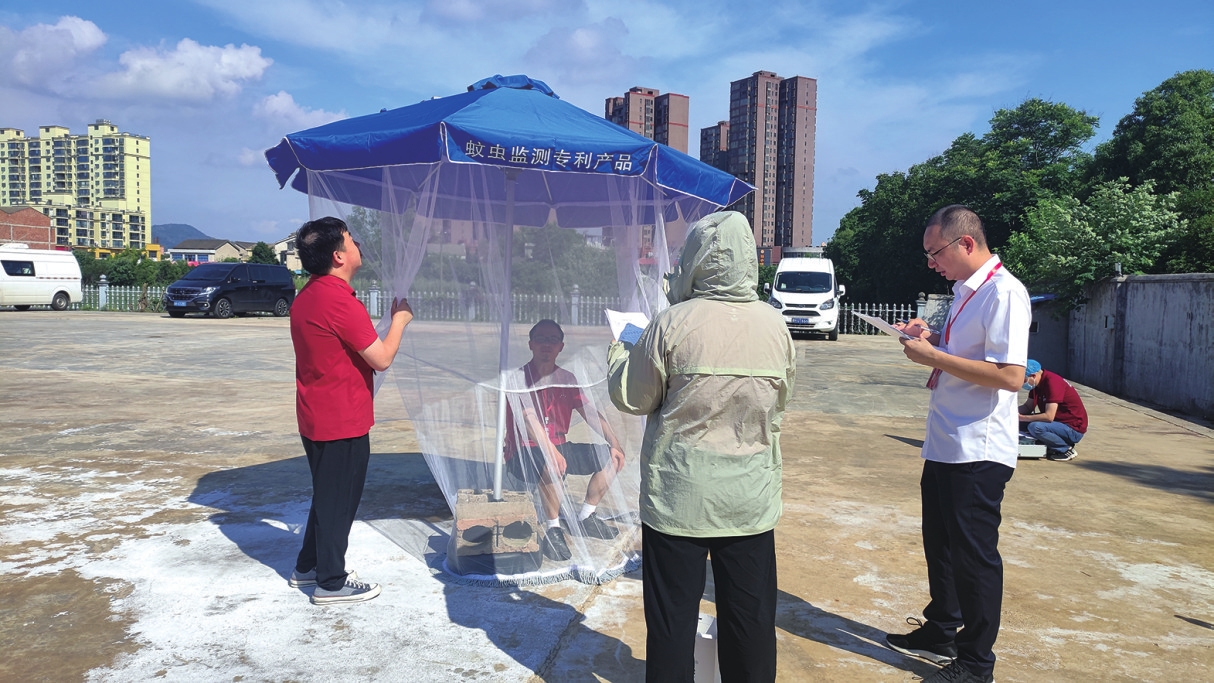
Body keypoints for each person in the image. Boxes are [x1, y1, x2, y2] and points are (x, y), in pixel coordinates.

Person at [607, 211, 796, 683]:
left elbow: (634, 397)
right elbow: (779, 405)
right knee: (750, 622)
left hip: (679, 497)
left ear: (696, 258)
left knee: (672, 622)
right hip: (748, 499)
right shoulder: (775, 326)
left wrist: (621, 351)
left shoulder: (671, 323)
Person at [888, 205, 1030, 683]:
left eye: (936, 253)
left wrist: (933, 357)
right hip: (948, 440)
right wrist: (928, 339)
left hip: (978, 448)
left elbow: (1009, 376)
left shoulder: (1003, 293)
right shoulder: (968, 292)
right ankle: (942, 628)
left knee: (974, 557)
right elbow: (966, 355)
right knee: (941, 545)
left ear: (966, 243)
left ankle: (975, 663)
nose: (932, 263)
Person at [288, 216, 413, 605]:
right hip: (341, 419)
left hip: (317, 414)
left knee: (327, 494)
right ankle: (330, 581)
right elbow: (382, 358)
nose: (358, 244)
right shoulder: (339, 302)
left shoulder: (309, 295)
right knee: (338, 501)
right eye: (351, 239)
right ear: (339, 256)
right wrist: (400, 320)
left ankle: (309, 566)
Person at [505, 319, 627, 562]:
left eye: (553, 340)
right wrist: (550, 450)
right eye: (541, 339)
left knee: (611, 458)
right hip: (524, 450)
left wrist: (615, 443)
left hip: (559, 446)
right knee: (551, 463)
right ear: (531, 344)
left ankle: (587, 515)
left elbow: (589, 413)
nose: (546, 345)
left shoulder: (566, 378)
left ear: (560, 346)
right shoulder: (518, 378)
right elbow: (528, 420)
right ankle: (553, 529)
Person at [1019, 359, 1087, 461]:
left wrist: (1023, 417)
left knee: (1035, 427)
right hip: (1057, 423)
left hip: (1072, 428)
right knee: (1017, 422)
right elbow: (1028, 407)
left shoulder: (1052, 383)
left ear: (1033, 376)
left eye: (1024, 380)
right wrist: (1010, 413)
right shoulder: (1036, 385)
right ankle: (1050, 441)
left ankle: (1065, 449)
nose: (1022, 384)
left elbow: (1049, 416)